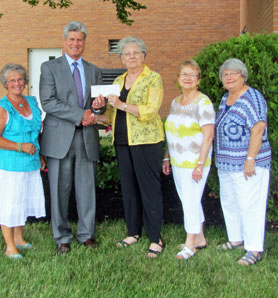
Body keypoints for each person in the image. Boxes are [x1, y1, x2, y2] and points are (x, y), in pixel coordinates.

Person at [93, 36, 165, 258]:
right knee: (129, 189)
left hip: (147, 141)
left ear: (144, 55)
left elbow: (151, 110)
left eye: (136, 52)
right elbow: (110, 116)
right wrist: (98, 109)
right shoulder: (118, 80)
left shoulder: (153, 78)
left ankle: (156, 238)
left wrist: (122, 104)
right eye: (127, 53)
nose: (131, 56)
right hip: (123, 141)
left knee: (149, 189)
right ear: (121, 58)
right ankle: (133, 232)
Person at [39, 21, 102, 254]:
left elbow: (96, 108)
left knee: (87, 189)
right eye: (72, 39)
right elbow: (48, 102)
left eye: (80, 40)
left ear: (84, 42)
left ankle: (87, 234)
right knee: (59, 190)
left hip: (86, 137)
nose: (76, 43)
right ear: (64, 42)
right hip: (59, 138)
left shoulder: (94, 70)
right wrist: (80, 115)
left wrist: (97, 106)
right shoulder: (50, 68)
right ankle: (62, 237)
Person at [215, 58, 271, 265]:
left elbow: (258, 127)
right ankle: (236, 238)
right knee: (230, 201)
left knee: (250, 205)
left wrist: (250, 159)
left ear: (243, 75)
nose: (229, 77)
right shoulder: (225, 98)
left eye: (233, 73)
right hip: (226, 162)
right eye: (225, 74)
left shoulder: (252, 97)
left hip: (247, 162)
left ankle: (254, 249)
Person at [0, 63, 46, 258]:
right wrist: (19, 146)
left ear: (25, 82)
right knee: (9, 202)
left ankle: (19, 239)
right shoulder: (3, 107)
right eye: (12, 80)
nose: (17, 83)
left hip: (29, 163)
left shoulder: (31, 101)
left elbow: (36, 133)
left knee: (22, 200)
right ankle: (9, 246)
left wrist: (40, 154)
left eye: (20, 79)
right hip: (10, 166)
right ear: (5, 83)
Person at [162, 60, 215, 260]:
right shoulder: (176, 102)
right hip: (177, 161)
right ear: (178, 78)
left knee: (191, 201)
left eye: (192, 75)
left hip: (195, 162)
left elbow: (208, 136)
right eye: (184, 74)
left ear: (198, 80)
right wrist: (166, 157)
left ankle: (190, 244)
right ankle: (200, 237)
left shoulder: (203, 103)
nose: (187, 78)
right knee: (188, 200)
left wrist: (200, 164)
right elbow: (172, 132)